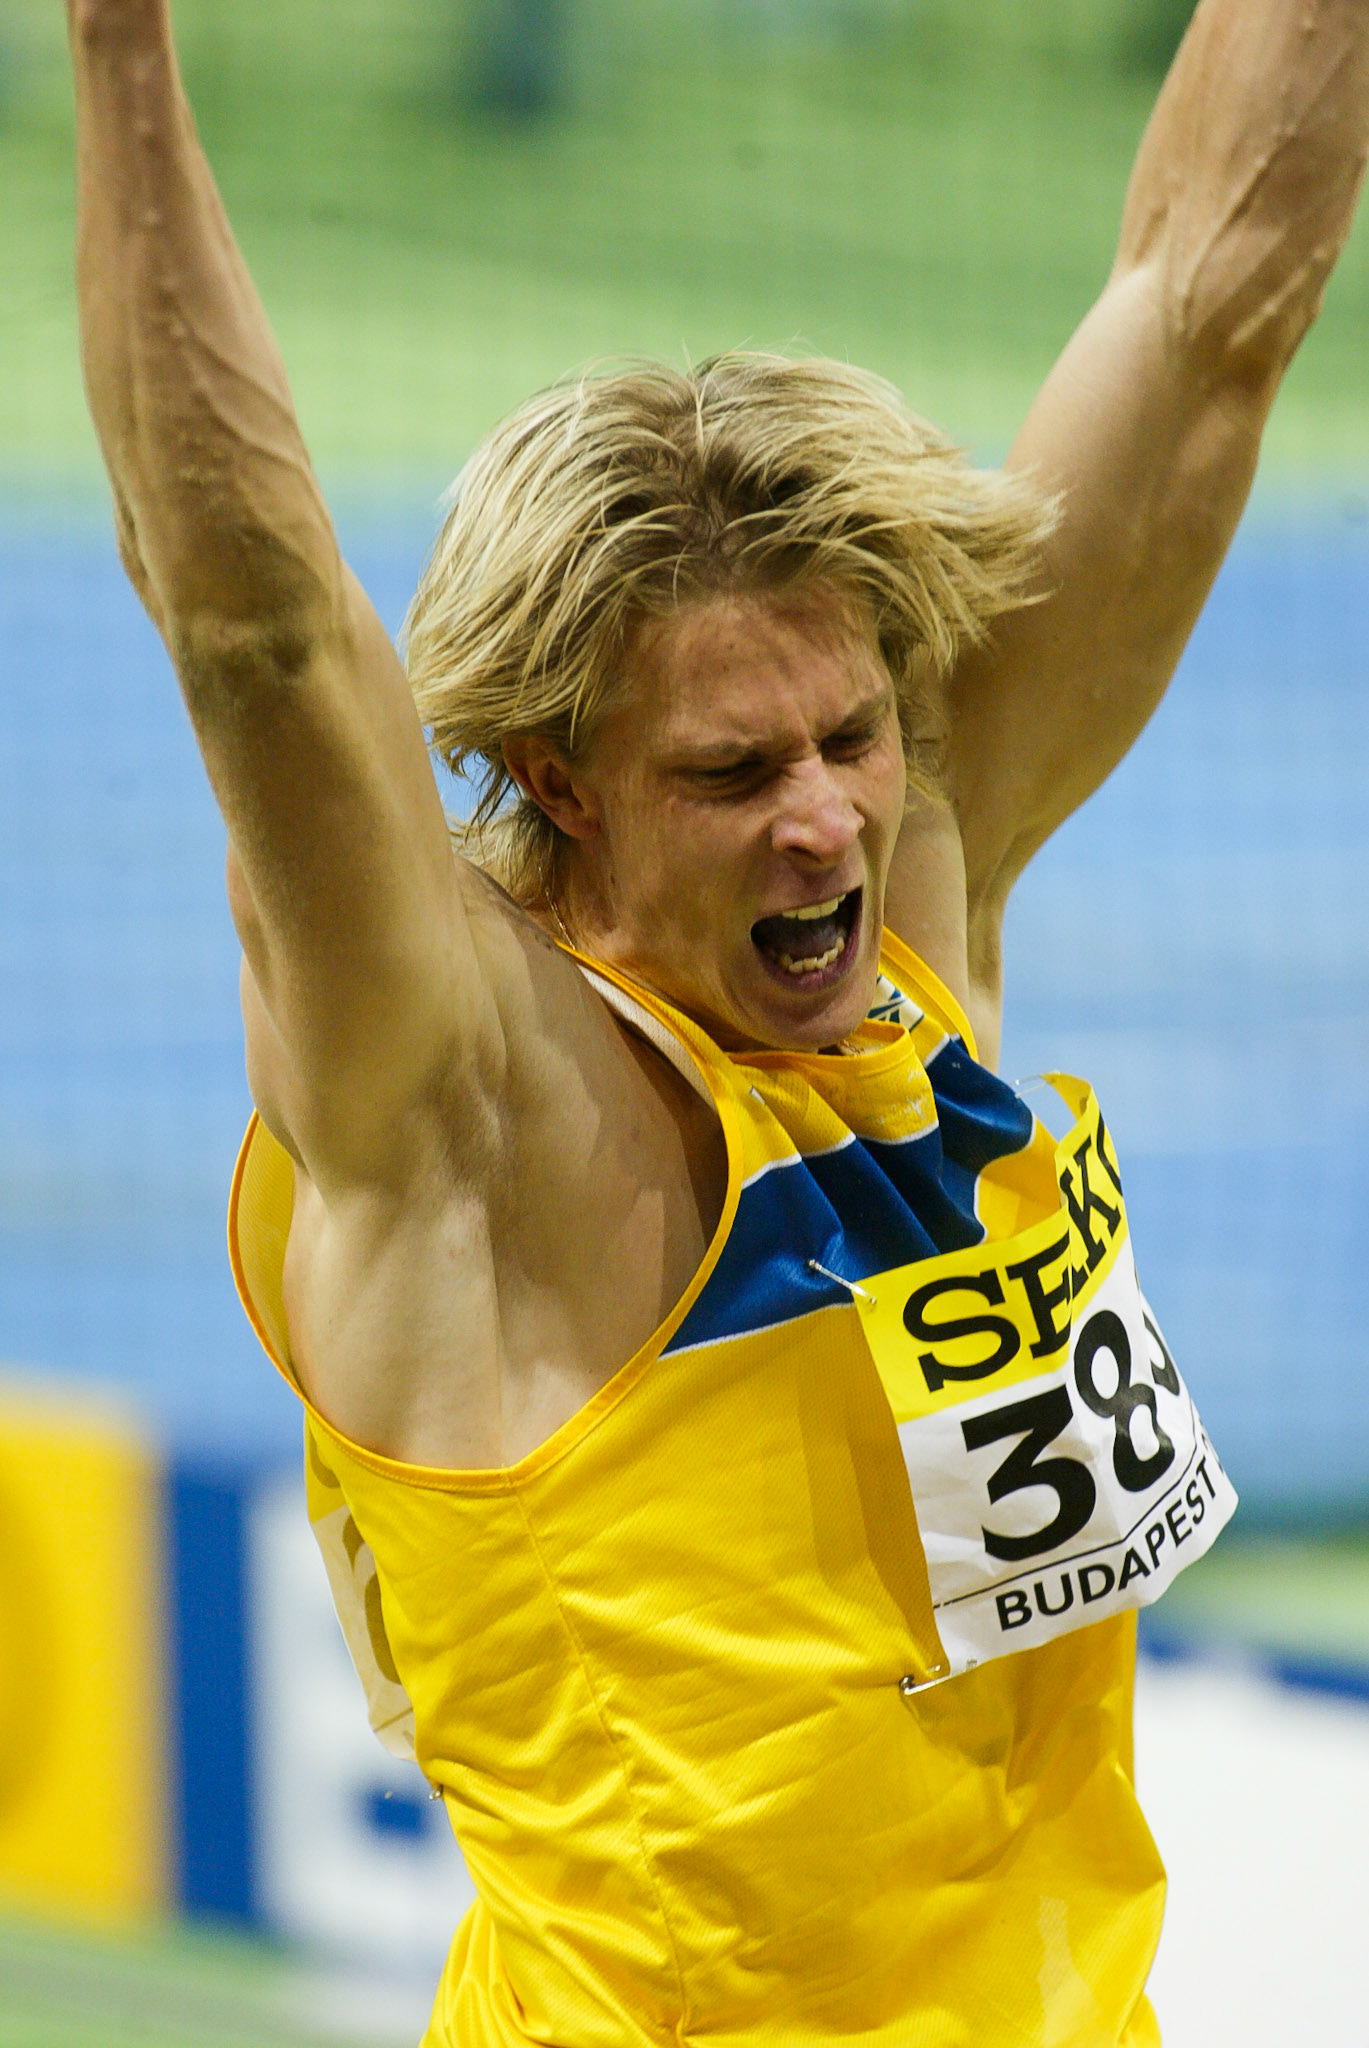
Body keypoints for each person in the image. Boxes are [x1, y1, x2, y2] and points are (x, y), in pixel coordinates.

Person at [67, 1, 1367, 2042]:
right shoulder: (470, 1119)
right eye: (732, 770)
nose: (827, 813)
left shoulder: (906, 905)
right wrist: (120, 48)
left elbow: (1208, 299)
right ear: (558, 782)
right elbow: (250, 625)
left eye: (851, 735)